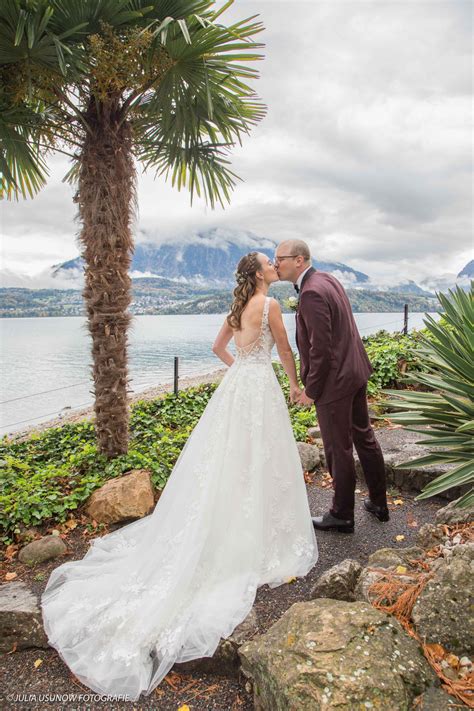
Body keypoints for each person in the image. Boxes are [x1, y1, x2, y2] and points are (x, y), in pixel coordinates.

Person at [41, 251, 318, 701]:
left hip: (238, 388)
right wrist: (293, 384)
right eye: (268, 263)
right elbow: (285, 350)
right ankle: (257, 533)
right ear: (258, 273)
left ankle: (233, 523)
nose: (274, 266)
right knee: (259, 459)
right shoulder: (269, 306)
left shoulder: (238, 307)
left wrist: (242, 372)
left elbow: (218, 349)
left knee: (231, 461)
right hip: (260, 388)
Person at [275, 239, 389, 534]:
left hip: (335, 383)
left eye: (280, 259)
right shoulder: (328, 279)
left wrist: (311, 390)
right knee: (364, 438)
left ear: (299, 260)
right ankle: (379, 503)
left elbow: (321, 350)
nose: (276, 265)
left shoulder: (311, 293)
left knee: (338, 449)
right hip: (354, 372)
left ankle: (341, 515)